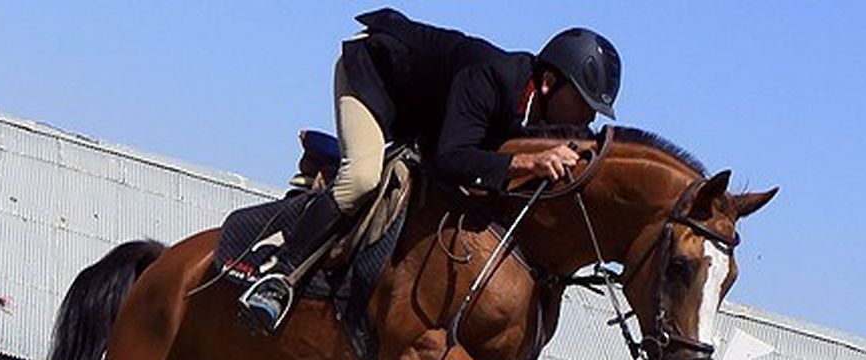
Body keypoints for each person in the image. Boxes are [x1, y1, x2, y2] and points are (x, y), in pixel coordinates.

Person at [240, 7, 622, 333]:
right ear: (549, 84)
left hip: (425, 115)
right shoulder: (489, 77)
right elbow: (451, 158)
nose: (588, 116)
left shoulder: (535, 111)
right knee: (362, 178)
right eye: (584, 102)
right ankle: (278, 275)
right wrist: (525, 162)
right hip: (375, 74)